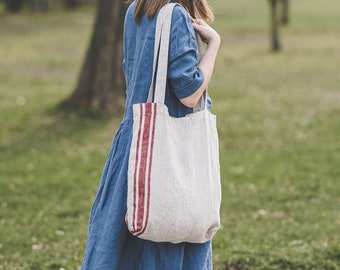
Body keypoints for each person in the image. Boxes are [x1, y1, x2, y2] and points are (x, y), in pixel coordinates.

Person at [80, 0, 220, 269]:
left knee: (123, 246)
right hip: (167, 153)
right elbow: (190, 93)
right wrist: (213, 45)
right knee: (164, 234)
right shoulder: (176, 15)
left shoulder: (135, 10)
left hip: (137, 142)